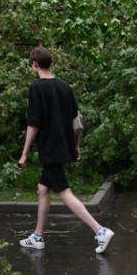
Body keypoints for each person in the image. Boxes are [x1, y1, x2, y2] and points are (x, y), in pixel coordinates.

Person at [18, 46, 114, 254]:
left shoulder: (37, 89)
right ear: (50, 63)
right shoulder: (64, 86)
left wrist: (24, 153)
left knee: (64, 192)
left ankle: (99, 231)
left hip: (49, 149)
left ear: (34, 64)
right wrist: (76, 145)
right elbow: (77, 120)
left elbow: (33, 124)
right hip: (62, 146)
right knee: (44, 188)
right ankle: (37, 236)